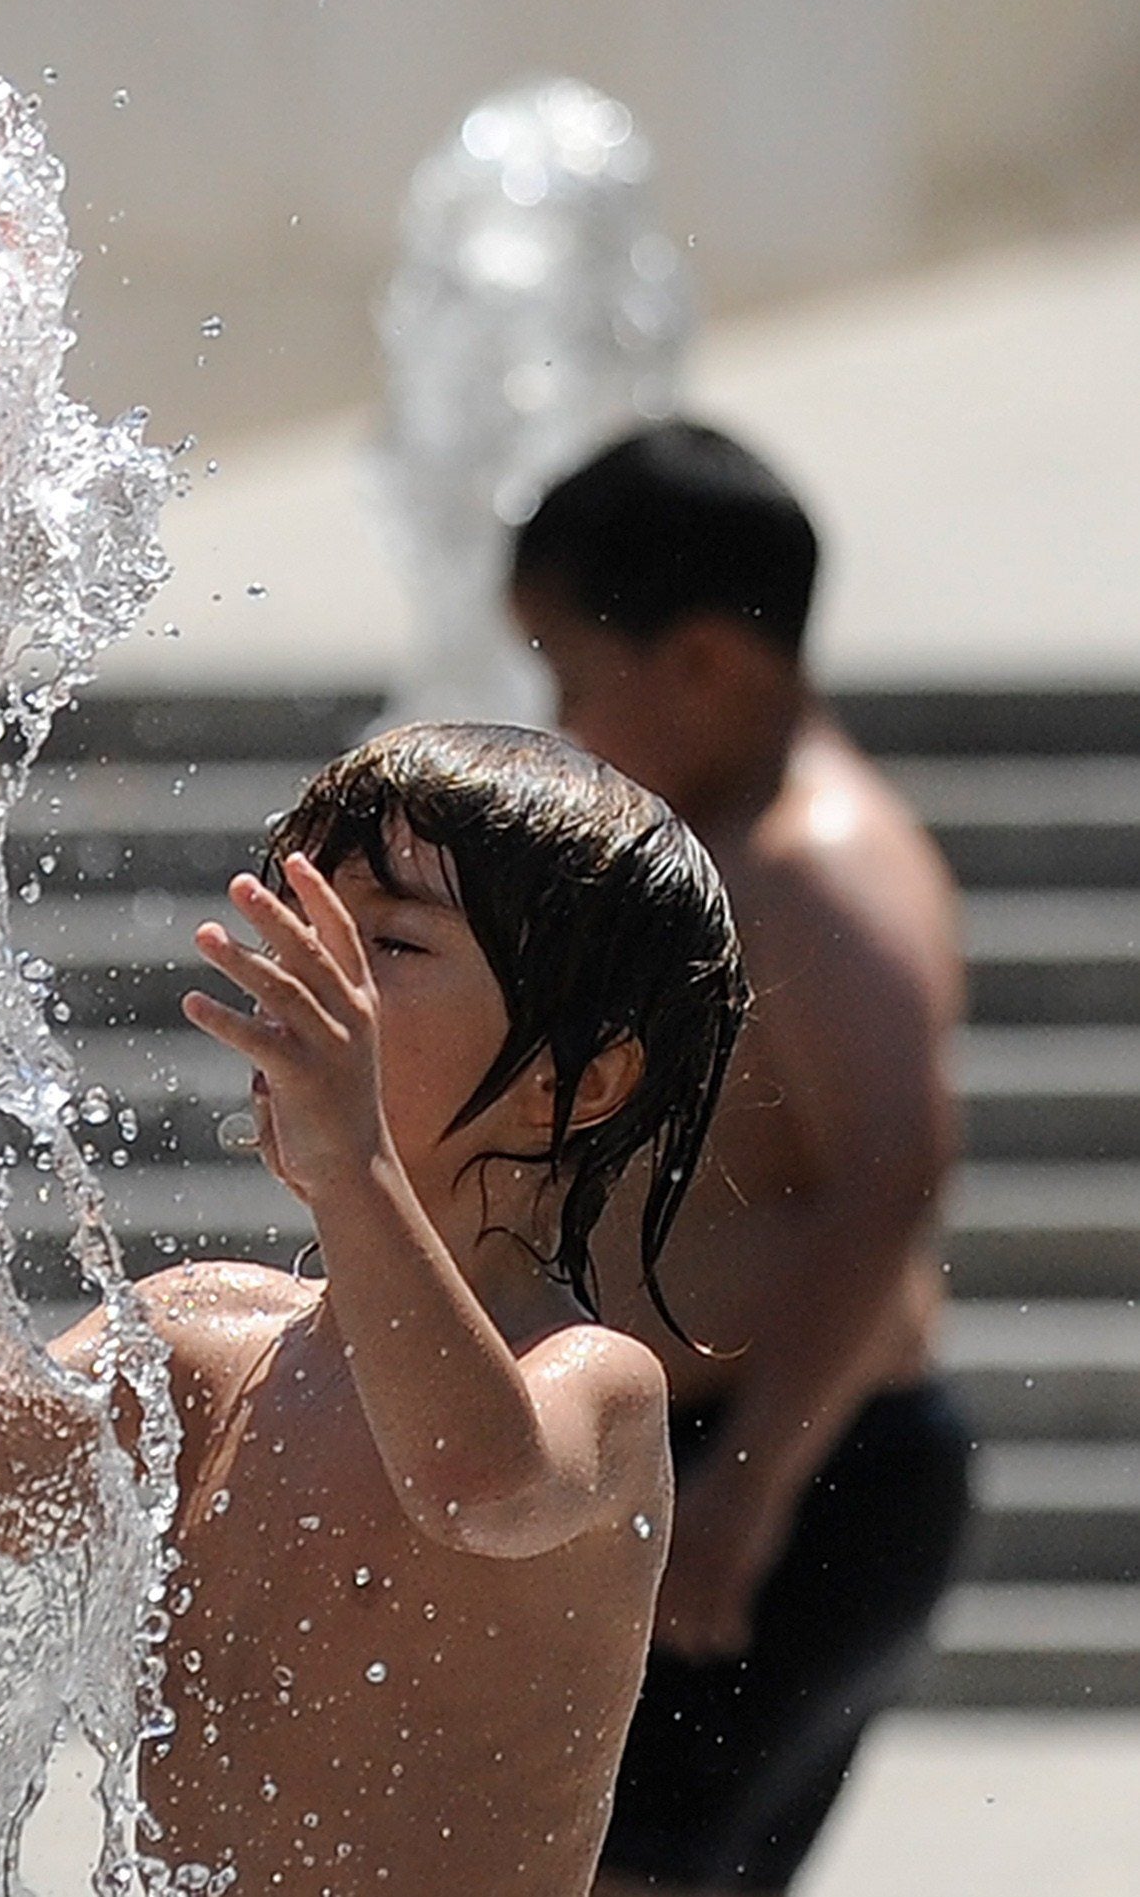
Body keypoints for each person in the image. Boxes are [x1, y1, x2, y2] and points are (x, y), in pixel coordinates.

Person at [0, 722, 749, 1894]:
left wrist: (354, 1165)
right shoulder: (196, 1342)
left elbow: (474, 1484)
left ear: (577, 1081)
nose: (302, 986)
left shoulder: (595, 1387)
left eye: (383, 940)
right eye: (294, 925)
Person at [509, 423, 973, 1897]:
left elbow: (889, 1180)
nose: (559, 722)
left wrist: (748, 1493)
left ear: (702, 661)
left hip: (808, 1467)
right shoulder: (728, 846)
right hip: (741, 1456)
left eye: (571, 677)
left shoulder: (808, 864)